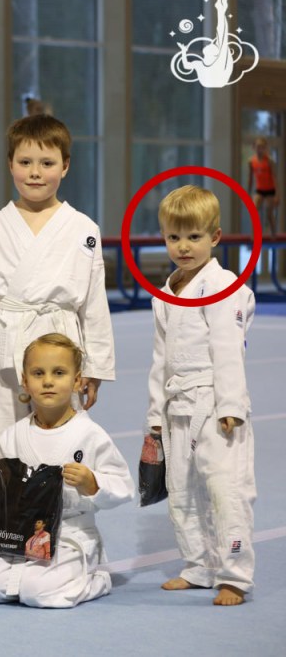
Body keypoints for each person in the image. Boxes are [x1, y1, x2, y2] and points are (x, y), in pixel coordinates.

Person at [0, 114, 115, 444]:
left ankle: (59, 497)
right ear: (10, 164)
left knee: (60, 442)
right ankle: (4, 496)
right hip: (3, 347)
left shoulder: (84, 229)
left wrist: (95, 368)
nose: (35, 172)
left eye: (47, 163)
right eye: (25, 162)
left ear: (65, 166)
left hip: (59, 345)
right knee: (3, 442)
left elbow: (94, 305)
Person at [145, 185, 256, 607]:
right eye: (174, 237)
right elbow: (161, 360)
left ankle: (235, 574)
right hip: (177, 404)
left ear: (215, 237)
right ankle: (198, 566)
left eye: (193, 237)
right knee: (183, 489)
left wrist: (230, 404)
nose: (183, 247)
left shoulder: (223, 285)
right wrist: (155, 413)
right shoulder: (168, 292)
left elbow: (229, 350)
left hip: (213, 400)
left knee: (225, 487)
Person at [0, 334, 134, 608]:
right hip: (19, 534)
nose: (47, 381)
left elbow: (124, 486)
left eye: (59, 373)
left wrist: (92, 483)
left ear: (77, 380)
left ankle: (97, 579)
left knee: (39, 593)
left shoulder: (90, 434)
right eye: (38, 373)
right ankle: (28, 574)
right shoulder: (12, 436)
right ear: (24, 381)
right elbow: (1, 500)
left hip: (70, 533)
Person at [248, 136, 278, 238]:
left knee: (269, 213)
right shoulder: (251, 161)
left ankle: (273, 233)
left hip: (270, 190)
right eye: (258, 146)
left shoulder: (270, 161)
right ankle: (255, 234)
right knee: (254, 211)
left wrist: (277, 195)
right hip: (259, 190)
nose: (259, 149)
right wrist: (248, 192)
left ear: (265, 148)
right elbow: (250, 178)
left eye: (262, 147)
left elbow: (275, 178)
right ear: (254, 147)